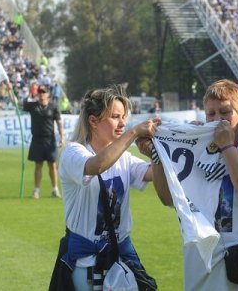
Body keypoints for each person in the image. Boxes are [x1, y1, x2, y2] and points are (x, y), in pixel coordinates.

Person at [148, 79, 238, 290]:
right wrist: (157, 158)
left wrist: (226, 146)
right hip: (200, 262)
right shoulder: (194, 150)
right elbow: (167, 198)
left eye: (225, 112)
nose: (217, 120)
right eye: (211, 114)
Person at [54, 84, 161, 290]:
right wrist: (132, 133)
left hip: (120, 253)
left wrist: (153, 154)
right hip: (85, 259)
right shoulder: (73, 152)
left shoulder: (124, 158)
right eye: (115, 117)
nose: (122, 123)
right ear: (93, 121)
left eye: (124, 117)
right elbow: (97, 165)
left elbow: (151, 174)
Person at [22, 84, 66, 199]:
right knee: (38, 165)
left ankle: (55, 189)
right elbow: (17, 103)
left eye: (44, 92)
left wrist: (62, 137)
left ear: (48, 94)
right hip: (37, 139)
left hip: (50, 139)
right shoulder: (32, 106)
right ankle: (36, 190)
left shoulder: (53, 106)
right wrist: (9, 89)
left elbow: (59, 123)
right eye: (40, 92)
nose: (42, 94)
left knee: (52, 165)